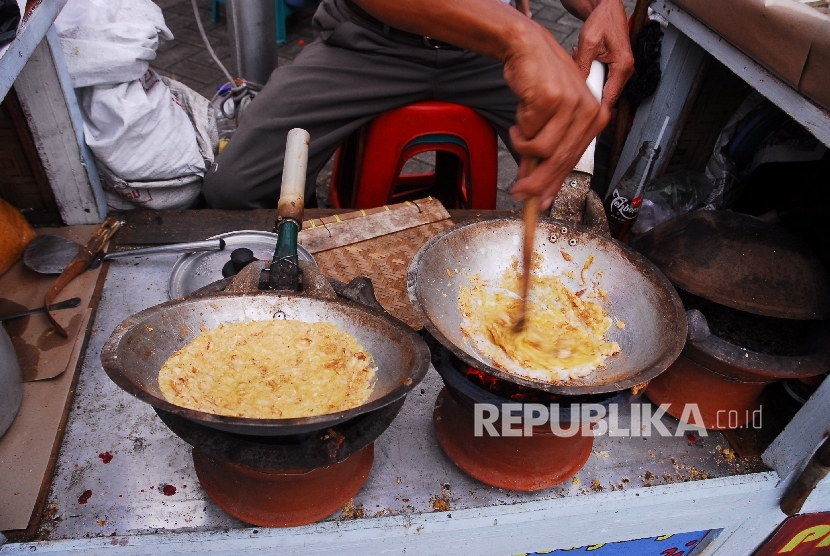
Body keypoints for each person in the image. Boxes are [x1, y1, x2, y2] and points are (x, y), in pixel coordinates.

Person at [202, 0, 633, 212]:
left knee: (574, 194)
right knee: (234, 190)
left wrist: (605, 4)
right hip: (371, 39)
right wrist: (522, 37)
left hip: (488, 52)